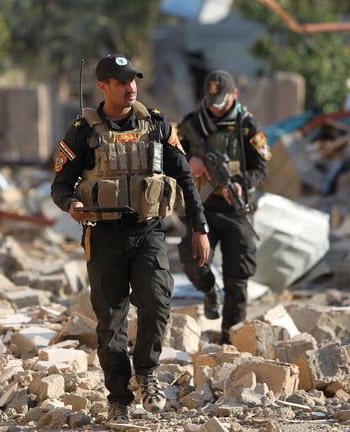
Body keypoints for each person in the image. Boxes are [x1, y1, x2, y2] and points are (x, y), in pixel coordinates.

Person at [51, 54, 210, 427]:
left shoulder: (155, 125)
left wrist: (200, 228)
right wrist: (70, 204)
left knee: (157, 302)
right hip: (103, 236)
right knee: (111, 322)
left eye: (133, 80)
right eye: (121, 82)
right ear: (103, 86)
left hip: (148, 231)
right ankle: (119, 400)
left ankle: (148, 374)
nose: (130, 87)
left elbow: (185, 178)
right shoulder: (83, 131)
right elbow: (60, 184)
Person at [176, 68, 271, 345]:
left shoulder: (247, 126)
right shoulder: (192, 124)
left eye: (221, 103)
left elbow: (262, 168)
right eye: (211, 103)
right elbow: (167, 155)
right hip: (201, 209)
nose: (215, 110)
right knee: (193, 260)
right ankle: (208, 291)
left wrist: (241, 182)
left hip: (235, 210)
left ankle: (231, 340)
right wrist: (188, 162)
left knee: (238, 279)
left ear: (235, 95)